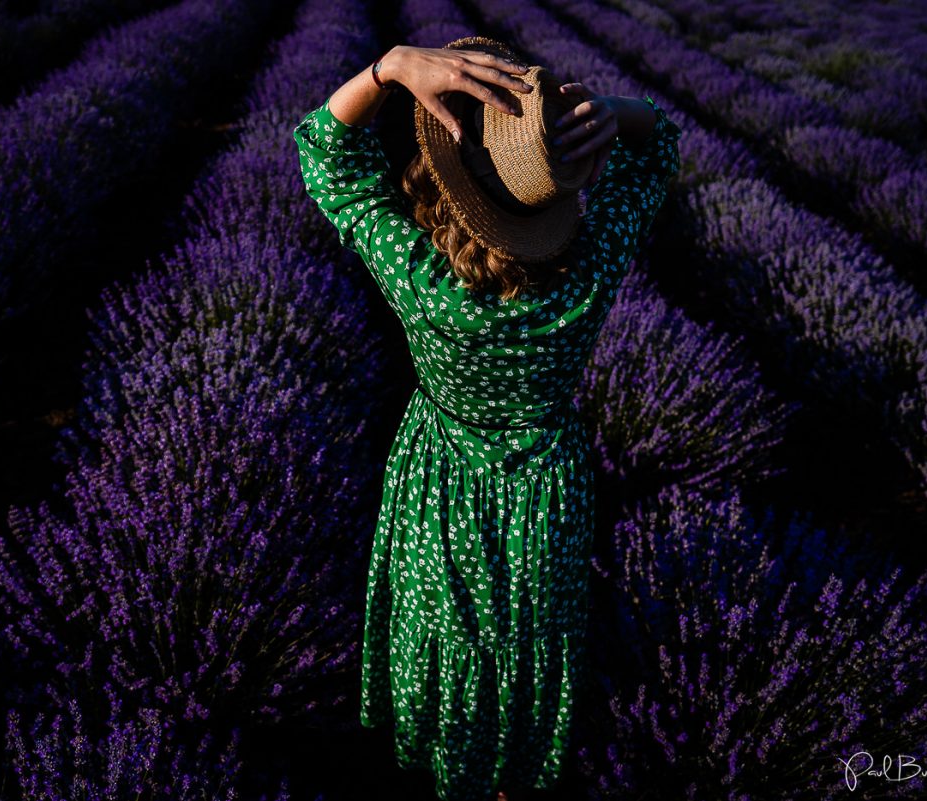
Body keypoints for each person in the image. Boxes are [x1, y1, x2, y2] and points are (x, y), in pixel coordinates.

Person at [291, 35, 681, 801]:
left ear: (447, 179)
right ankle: (514, 776)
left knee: (448, 635)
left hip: (443, 477)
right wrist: (612, 114)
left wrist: (391, 67)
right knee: (530, 638)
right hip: (547, 491)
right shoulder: (589, 267)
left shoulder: (421, 279)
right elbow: (660, 139)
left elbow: (323, 151)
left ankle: (450, 766)